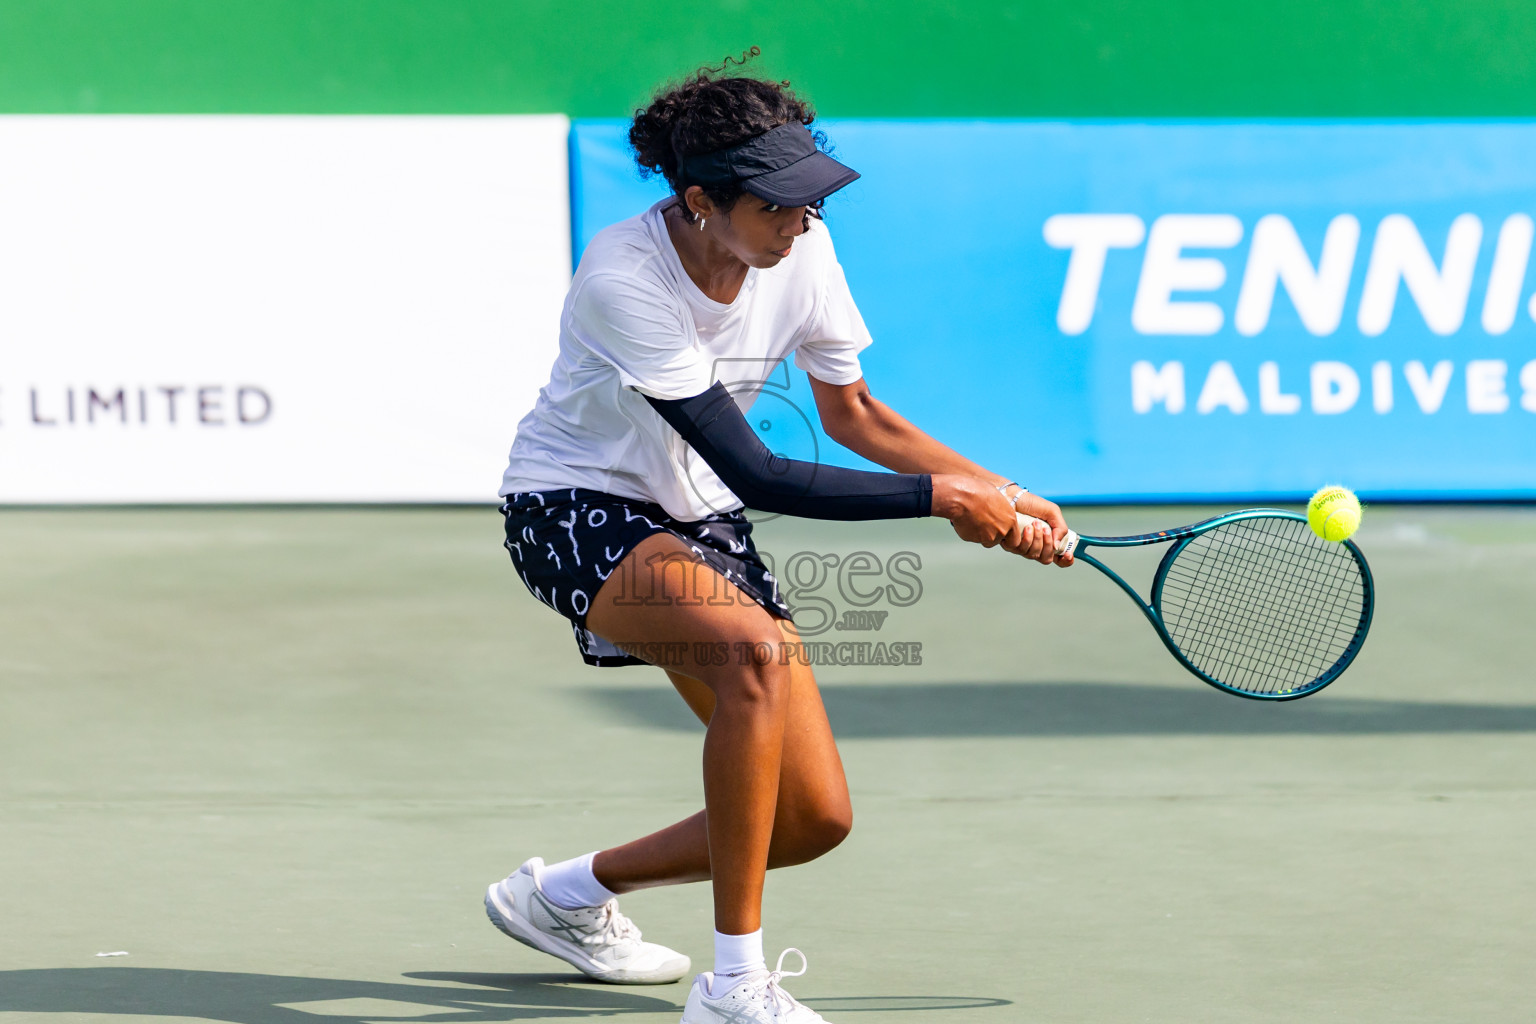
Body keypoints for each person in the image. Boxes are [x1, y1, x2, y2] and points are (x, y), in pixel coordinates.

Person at [487, 51, 1073, 1024]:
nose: (802, 222)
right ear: (700, 201)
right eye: (779, 205)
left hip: (696, 516)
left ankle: (565, 896)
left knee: (807, 817)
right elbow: (761, 471)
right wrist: (943, 503)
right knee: (754, 654)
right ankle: (733, 986)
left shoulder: (804, 247)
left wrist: (999, 492)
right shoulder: (622, 277)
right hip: (572, 507)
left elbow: (858, 415)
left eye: (812, 203)